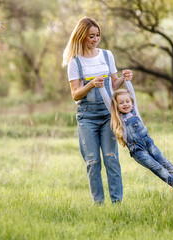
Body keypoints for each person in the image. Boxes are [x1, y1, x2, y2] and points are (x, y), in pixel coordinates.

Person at [62, 17, 133, 204]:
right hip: (87, 117)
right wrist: (91, 84)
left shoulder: (106, 55)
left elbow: (114, 83)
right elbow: (76, 94)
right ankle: (98, 204)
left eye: (98, 35)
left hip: (108, 113)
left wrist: (124, 78)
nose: (95, 39)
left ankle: (117, 203)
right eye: (91, 36)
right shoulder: (75, 63)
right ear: (81, 37)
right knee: (93, 162)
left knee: (111, 159)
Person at [98, 79, 173, 197]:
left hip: (149, 143)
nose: (125, 104)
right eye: (121, 103)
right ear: (116, 106)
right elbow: (108, 101)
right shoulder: (120, 119)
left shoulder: (134, 112)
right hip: (138, 150)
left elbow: (131, 92)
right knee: (157, 167)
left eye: (127, 101)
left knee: (164, 162)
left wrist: (127, 80)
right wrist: (101, 87)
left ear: (132, 102)